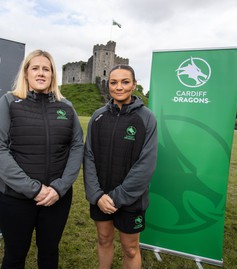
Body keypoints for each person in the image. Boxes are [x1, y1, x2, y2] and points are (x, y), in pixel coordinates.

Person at [0, 50, 84, 269]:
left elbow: (77, 145)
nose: (41, 73)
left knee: (49, 253)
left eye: (46, 69)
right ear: (26, 72)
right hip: (14, 198)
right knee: (14, 256)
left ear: (53, 75)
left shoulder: (66, 107)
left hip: (56, 199)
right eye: (35, 68)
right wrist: (33, 189)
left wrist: (59, 188)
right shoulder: (9, 102)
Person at [83, 64, 158, 269]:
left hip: (131, 199)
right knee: (104, 240)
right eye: (113, 82)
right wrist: (97, 195)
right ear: (108, 85)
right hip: (101, 197)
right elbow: (88, 156)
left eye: (125, 82)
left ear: (134, 85)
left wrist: (117, 197)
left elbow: (146, 164)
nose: (119, 87)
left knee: (131, 249)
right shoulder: (97, 117)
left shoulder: (146, 118)